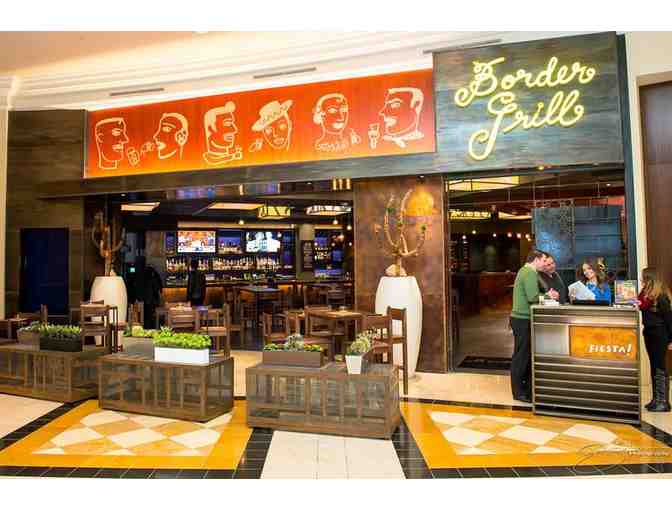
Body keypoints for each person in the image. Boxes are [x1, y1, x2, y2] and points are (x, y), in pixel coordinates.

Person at [510, 249, 559, 403]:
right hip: (522, 319)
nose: (545, 264)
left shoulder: (523, 271)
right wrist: (548, 296)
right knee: (521, 356)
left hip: (519, 319)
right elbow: (532, 297)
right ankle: (519, 392)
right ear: (536, 260)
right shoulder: (530, 273)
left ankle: (521, 389)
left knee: (521, 354)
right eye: (543, 260)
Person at [638, 268, 672, 412]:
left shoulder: (661, 296)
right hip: (649, 333)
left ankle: (663, 402)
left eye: (643, 277)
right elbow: (639, 304)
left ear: (650, 278)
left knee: (659, 367)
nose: (641, 279)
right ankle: (655, 399)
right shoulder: (645, 295)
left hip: (660, 334)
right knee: (653, 366)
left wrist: (671, 340)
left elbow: (669, 319)